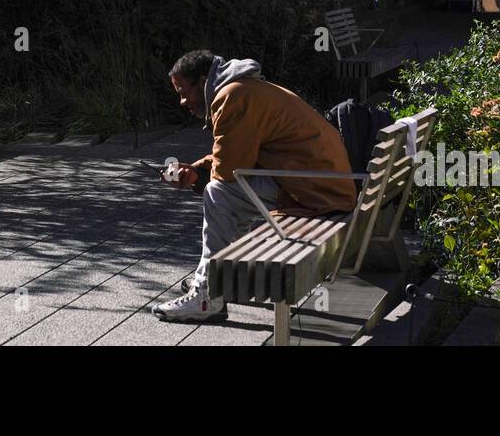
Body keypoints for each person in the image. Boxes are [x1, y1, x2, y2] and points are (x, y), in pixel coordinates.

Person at [152, 50, 357, 324]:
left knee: (218, 194)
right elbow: (239, 156)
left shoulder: (232, 97)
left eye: (184, 91)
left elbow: (227, 174)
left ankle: (207, 294)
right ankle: (221, 277)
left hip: (316, 193)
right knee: (224, 192)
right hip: (321, 183)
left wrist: (199, 177)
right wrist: (197, 171)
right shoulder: (244, 88)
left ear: (203, 82)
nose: (182, 101)